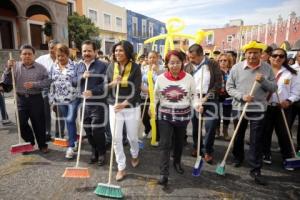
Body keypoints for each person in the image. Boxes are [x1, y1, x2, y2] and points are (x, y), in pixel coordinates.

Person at [226, 40, 277, 185]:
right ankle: (237, 157)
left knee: (256, 138)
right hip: (239, 107)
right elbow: (229, 87)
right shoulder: (236, 68)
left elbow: (273, 88)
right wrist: (242, 96)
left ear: (261, 54)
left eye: (255, 53)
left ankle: (255, 168)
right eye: (250, 53)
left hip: (259, 108)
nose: (252, 55)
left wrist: (263, 82)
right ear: (245, 54)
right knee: (238, 134)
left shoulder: (267, 68)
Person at [154, 50, 199, 186]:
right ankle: (164, 173)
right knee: (165, 143)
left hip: (182, 117)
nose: (174, 65)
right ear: (167, 64)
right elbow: (155, 96)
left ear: (183, 62)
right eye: (171, 63)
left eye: (178, 62)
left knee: (179, 142)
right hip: (165, 117)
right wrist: (152, 109)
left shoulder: (189, 78)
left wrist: (197, 105)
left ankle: (177, 161)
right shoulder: (161, 78)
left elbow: (193, 96)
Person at [3, 44, 50, 153]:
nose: (27, 56)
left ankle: (42, 145)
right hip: (21, 99)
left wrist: (34, 84)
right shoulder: (14, 67)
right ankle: (29, 143)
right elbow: (6, 81)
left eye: (29, 54)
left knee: (39, 123)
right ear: (20, 55)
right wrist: (7, 69)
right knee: (21, 122)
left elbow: (47, 82)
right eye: (24, 54)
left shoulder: (41, 68)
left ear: (34, 55)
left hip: (36, 99)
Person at [106, 40, 141, 181]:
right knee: (116, 138)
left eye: (121, 50)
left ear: (127, 52)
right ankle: (121, 167)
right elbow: (105, 86)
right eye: (116, 50)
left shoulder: (135, 68)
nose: (117, 53)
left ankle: (135, 153)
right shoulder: (110, 67)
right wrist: (113, 83)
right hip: (114, 106)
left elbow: (137, 89)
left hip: (131, 107)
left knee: (132, 137)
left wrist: (125, 103)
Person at [262, 48, 300, 169]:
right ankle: (265, 154)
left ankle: (287, 157)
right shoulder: (262, 71)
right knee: (265, 132)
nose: (277, 58)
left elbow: (296, 92)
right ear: (270, 56)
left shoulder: (291, 73)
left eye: (281, 56)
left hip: (283, 108)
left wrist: (289, 101)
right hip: (265, 107)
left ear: (285, 58)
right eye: (275, 55)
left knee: (284, 133)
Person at [185, 44, 222, 164]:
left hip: (210, 99)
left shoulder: (213, 64)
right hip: (195, 98)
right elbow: (187, 86)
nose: (191, 60)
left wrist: (205, 99)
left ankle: (208, 151)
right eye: (189, 57)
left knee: (210, 127)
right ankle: (197, 147)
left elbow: (217, 84)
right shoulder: (188, 67)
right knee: (196, 126)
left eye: (193, 57)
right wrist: (196, 100)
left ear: (201, 55)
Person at [74, 40, 108, 165]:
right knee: (87, 129)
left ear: (95, 52)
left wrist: (92, 92)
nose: (87, 53)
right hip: (83, 104)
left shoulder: (103, 66)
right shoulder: (78, 66)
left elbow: (105, 84)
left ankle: (102, 152)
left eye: (89, 50)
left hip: (98, 104)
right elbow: (73, 81)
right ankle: (94, 150)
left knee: (97, 130)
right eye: (84, 51)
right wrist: (82, 77)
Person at [49, 44, 79, 159]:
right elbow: (51, 83)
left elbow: (79, 81)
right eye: (58, 56)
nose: (60, 58)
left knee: (70, 119)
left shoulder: (75, 66)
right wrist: (52, 100)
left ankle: (70, 147)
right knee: (69, 121)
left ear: (67, 54)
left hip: (73, 99)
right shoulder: (54, 67)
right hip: (60, 99)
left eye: (62, 55)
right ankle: (74, 141)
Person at [36, 40, 64, 140]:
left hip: (60, 88)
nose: (53, 50)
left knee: (60, 110)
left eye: (55, 48)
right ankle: (47, 131)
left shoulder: (64, 59)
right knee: (45, 110)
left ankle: (59, 133)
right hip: (46, 88)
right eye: (51, 47)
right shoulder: (41, 59)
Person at [140, 51, 163, 143]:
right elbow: (140, 81)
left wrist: (156, 71)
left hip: (157, 98)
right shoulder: (144, 68)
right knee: (144, 116)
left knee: (155, 117)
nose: (152, 59)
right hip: (145, 95)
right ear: (147, 59)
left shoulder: (162, 69)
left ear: (158, 58)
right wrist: (144, 89)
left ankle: (157, 137)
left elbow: (161, 82)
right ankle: (148, 128)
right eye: (150, 57)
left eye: (154, 57)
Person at [216, 53, 234, 141]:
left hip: (229, 97)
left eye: (225, 60)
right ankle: (217, 131)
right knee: (217, 114)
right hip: (218, 96)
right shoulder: (215, 71)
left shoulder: (232, 71)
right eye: (221, 60)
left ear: (229, 61)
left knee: (226, 115)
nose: (223, 62)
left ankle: (225, 131)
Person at [290, 51, 300, 154]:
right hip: (292, 101)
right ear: (296, 57)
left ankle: (299, 148)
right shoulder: (291, 69)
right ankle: (287, 146)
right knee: (287, 125)